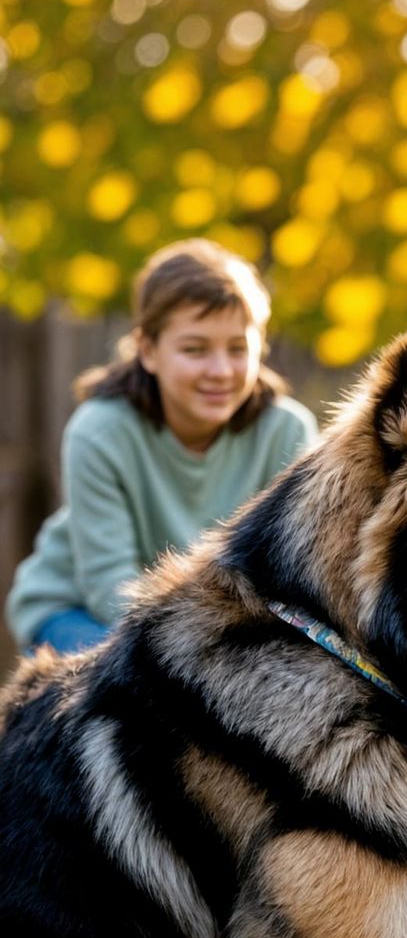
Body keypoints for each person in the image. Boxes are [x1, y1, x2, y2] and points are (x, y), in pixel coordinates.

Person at [6, 239, 317, 656]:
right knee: (135, 695)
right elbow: (109, 588)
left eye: (238, 348)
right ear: (148, 351)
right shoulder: (100, 432)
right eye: (195, 349)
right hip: (79, 611)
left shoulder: (287, 432)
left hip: (212, 628)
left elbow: (291, 576)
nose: (220, 370)